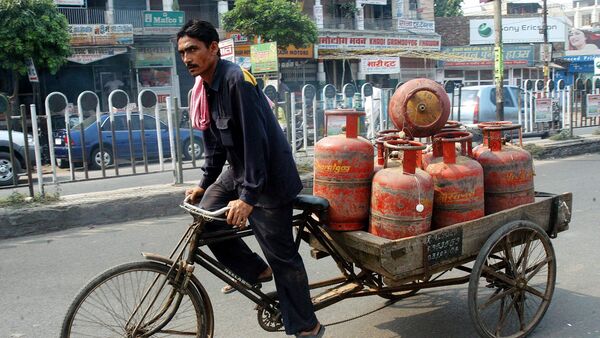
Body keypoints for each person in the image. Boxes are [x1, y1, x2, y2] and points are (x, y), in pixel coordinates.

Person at [177, 20, 324, 338]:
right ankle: (255, 269)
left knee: (282, 255)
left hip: (268, 176)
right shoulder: (207, 86)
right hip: (241, 170)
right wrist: (205, 183)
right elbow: (217, 141)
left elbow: (258, 143)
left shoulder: (236, 82)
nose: (187, 58)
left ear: (213, 48)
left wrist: (247, 198)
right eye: (183, 52)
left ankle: (306, 326)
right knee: (205, 216)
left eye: (193, 50)